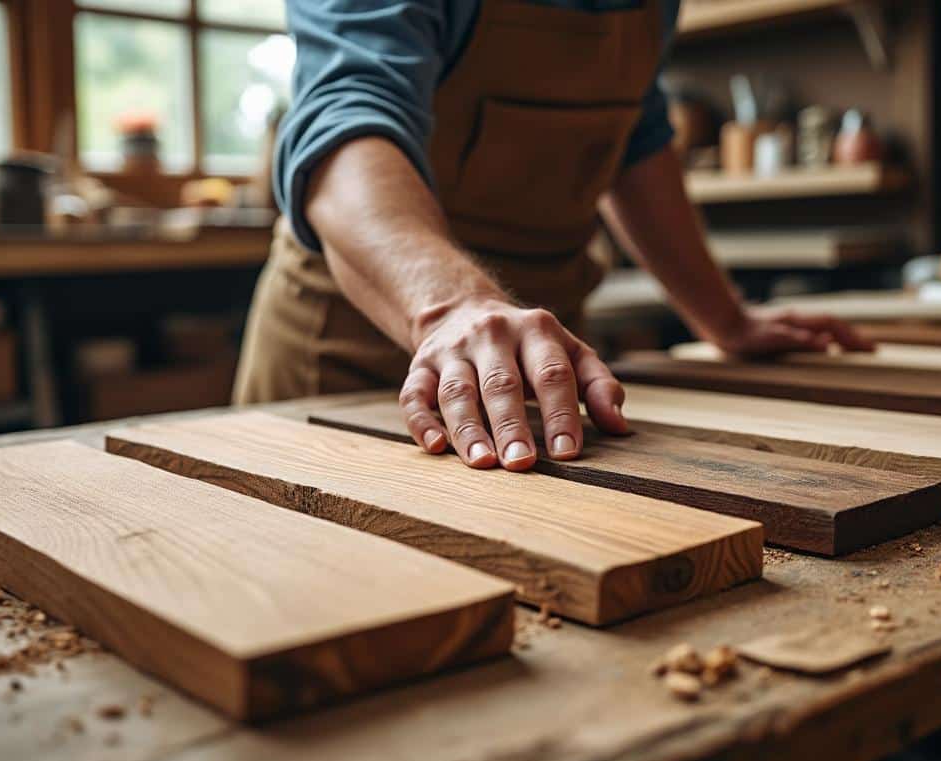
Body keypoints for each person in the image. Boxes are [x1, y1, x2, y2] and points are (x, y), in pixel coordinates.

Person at [234, 0, 873, 473]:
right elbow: (347, 121)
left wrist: (724, 320)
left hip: (542, 365)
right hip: (355, 343)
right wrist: (452, 309)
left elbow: (636, 137)